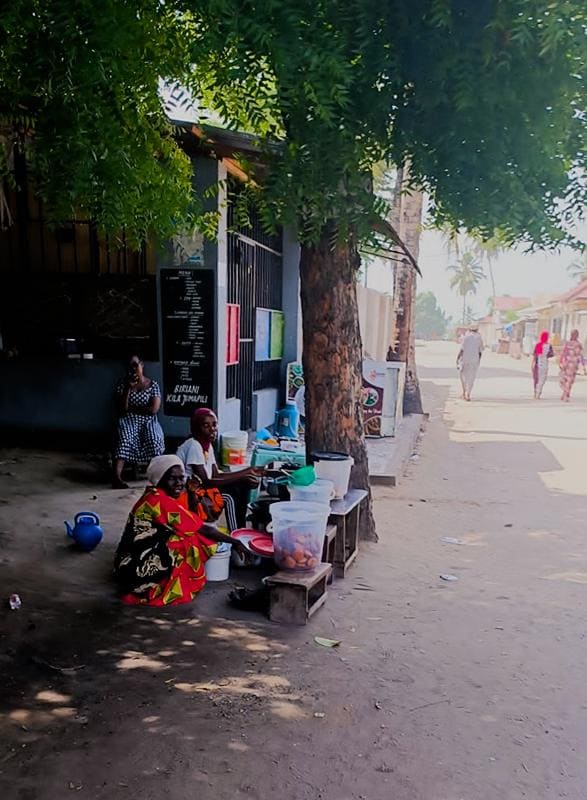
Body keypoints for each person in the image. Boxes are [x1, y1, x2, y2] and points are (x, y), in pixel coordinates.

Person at [113, 455, 247, 606]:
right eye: (172, 478)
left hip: (127, 561)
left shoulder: (154, 494)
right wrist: (235, 542)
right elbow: (202, 528)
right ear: (159, 480)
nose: (179, 483)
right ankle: (170, 587)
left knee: (187, 533)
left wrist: (191, 493)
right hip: (134, 569)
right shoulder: (159, 500)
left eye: (181, 478)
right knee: (187, 541)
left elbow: (192, 517)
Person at [177, 408, 262, 530]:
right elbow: (206, 482)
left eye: (214, 424)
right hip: (189, 494)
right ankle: (236, 536)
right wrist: (242, 475)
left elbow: (216, 475)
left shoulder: (207, 445)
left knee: (242, 485)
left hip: (201, 488)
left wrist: (247, 472)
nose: (212, 429)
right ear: (196, 428)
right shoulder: (194, 445)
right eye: (206, 425)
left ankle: (241, 528)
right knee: (229, 497)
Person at [112, 355, 165, 489]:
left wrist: (132, 407)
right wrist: (128, 389)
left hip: (149, 421)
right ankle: (117, 477)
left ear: (142, 365)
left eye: (135, 365)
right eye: (130, 366)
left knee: (155, 439)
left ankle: (159, 476)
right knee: (125, 438)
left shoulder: (152, 385)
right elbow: (123, 409)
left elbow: (153, 409)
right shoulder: (123, 384)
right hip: (129, 419)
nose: (133, 369)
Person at [456, 323, 484, 401]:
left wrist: (457, 358)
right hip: (474, 360)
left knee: (463, 376)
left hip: (464, 359)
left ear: (469, 329)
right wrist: (479, 360)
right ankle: (468, 394)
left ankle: (464, 392)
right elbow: (480, 351)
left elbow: (462, 349)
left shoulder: (466, 337)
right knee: (471, 378)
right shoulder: (479, 338)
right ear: (477, 329)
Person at [559, 329, 584, 402]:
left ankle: (565, 394)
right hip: (573, 364)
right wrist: (583, 365)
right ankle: (565, 394)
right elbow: (580, 355)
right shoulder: (578, 344)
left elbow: (563, 353)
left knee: (563, 380)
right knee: (569, 380)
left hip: (566, 363)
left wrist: (560, 361)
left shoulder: (568, 343)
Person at [532, 331, 554, 399]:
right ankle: (538, 392)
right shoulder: (549, 346)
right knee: (542, 379)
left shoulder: (538, 345)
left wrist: (533, 363)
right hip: (545, 364)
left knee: (536, 379)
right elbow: (551, 354)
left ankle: (536, 392)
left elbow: (535, 355)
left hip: (537, 364)